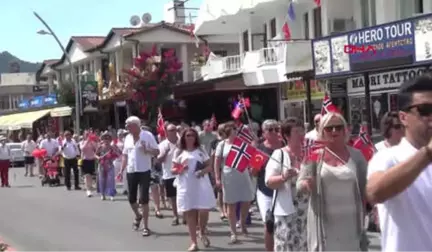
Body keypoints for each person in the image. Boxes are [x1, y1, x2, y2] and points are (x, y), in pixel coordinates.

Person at [367, 75, 432, 252]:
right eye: (425, 110)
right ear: (403, 118)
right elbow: (375, 192)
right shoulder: (388, 157)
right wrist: (426, 154)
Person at [297, 112, 368, 252]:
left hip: (351, 223)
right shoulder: (314, 156)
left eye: (338, 127)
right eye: (329, 128)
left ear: (344, 130)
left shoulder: (356, 156)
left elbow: (366, 187)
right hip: (323, 225)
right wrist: (307, 185)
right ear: (322, 131)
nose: (334, 131)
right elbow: (299, 185)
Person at [266, 117, 308, 252]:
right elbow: (269, 182)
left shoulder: (309, 154)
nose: (301, 135)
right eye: (297, 132)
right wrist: (284, 177)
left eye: (302, 131)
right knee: (286, 247)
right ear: (286, 136)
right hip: (287, 214)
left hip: (308, 213)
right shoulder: (279, 155)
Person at [172, 128, 216, 252]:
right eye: (187, 135)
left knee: (204, 210)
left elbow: (209, 167)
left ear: (196, 137)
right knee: (190, 212)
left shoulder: (201, 150)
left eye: (192, 135)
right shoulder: (179, 151)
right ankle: (193, 242)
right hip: (186, 184)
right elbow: (173, 170)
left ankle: (201, 231)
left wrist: (202, 171)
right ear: (183, 137)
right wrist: (181, 168)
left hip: (201, 183)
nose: (190, 137)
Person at [214, 122, 255, 243]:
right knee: (231, 204)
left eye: (235, 128)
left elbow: (251, 157)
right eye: (232, 129)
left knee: (247, 200)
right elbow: (217, 162)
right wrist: (217, 178)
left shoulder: (243, 143)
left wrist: (252, 167)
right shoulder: (221, 145)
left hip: (243, 175)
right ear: (227, 131)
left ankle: (242, 223)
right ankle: (233, 232)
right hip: (229, 176)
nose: (234, 130)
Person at [119, 116, 159, 237]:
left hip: (144, 170)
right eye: (126, 125)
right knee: (131, 198)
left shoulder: (147, 135)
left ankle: (145, 227)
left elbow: (157, 152)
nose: (126, 128)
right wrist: (121, 170)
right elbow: (125, 155)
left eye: (128, 125)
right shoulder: (127, 138)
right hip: (131, 170)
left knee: (144, 199)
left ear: (136, 125)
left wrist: (147, 149)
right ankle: (138, 215)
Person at [255, 119, 282, 252]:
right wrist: (259, 162)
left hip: (283, 191)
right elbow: (253, 172)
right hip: (265, 192)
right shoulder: (260, 149)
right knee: (269, 224)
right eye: (270, 130)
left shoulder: (285, 145)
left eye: (276, 129)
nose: (274, 132)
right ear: (264, 133)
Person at [157, 123, 180, 225]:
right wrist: (165, 152)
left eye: (175, 129)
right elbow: (159, 161)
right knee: (173, 197)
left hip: (181, 173)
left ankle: (185, 215)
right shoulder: (162, 145)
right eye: (171, 130)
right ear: (166, 132)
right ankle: (175, 216)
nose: (174, 132)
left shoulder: (181, 143)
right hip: (169, 174)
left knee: (182, 196)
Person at [96, 131, 120, 201]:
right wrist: (98, 158)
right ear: (102, 140)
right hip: (101, 165)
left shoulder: (112, 147)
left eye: (108, 139)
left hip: (110, 165)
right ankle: (102, 194)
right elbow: (95, 154)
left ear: (110, 140)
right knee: (102, 180)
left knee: (111, 180)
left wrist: (113, 158)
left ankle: (111, 194)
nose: (106, 140)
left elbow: (118, 154)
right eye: (105, 139)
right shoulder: (100, 147)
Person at [80, 131, 98, 197]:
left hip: (91, 160)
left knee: (90, 175)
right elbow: (82, 149)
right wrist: (87, 141)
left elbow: (96, 149)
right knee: (87, 175)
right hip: (85, 160)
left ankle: (89, 187)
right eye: (86, 134)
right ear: (84, 135)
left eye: (88, 134)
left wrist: (93, 142)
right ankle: (88, 190)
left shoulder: (92, 142)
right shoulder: (81, 142)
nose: (88, 136)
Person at [113, 129, 128, 195]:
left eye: (121, 134)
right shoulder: (114, 142)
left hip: (124, 160)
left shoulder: (125, 141)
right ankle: (115, 189)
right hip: (116, 160)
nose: (120, 136)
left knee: (125, 175)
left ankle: (125, 189)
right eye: (119, 135)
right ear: (117, 135)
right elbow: (112, 150)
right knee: (116, 175)